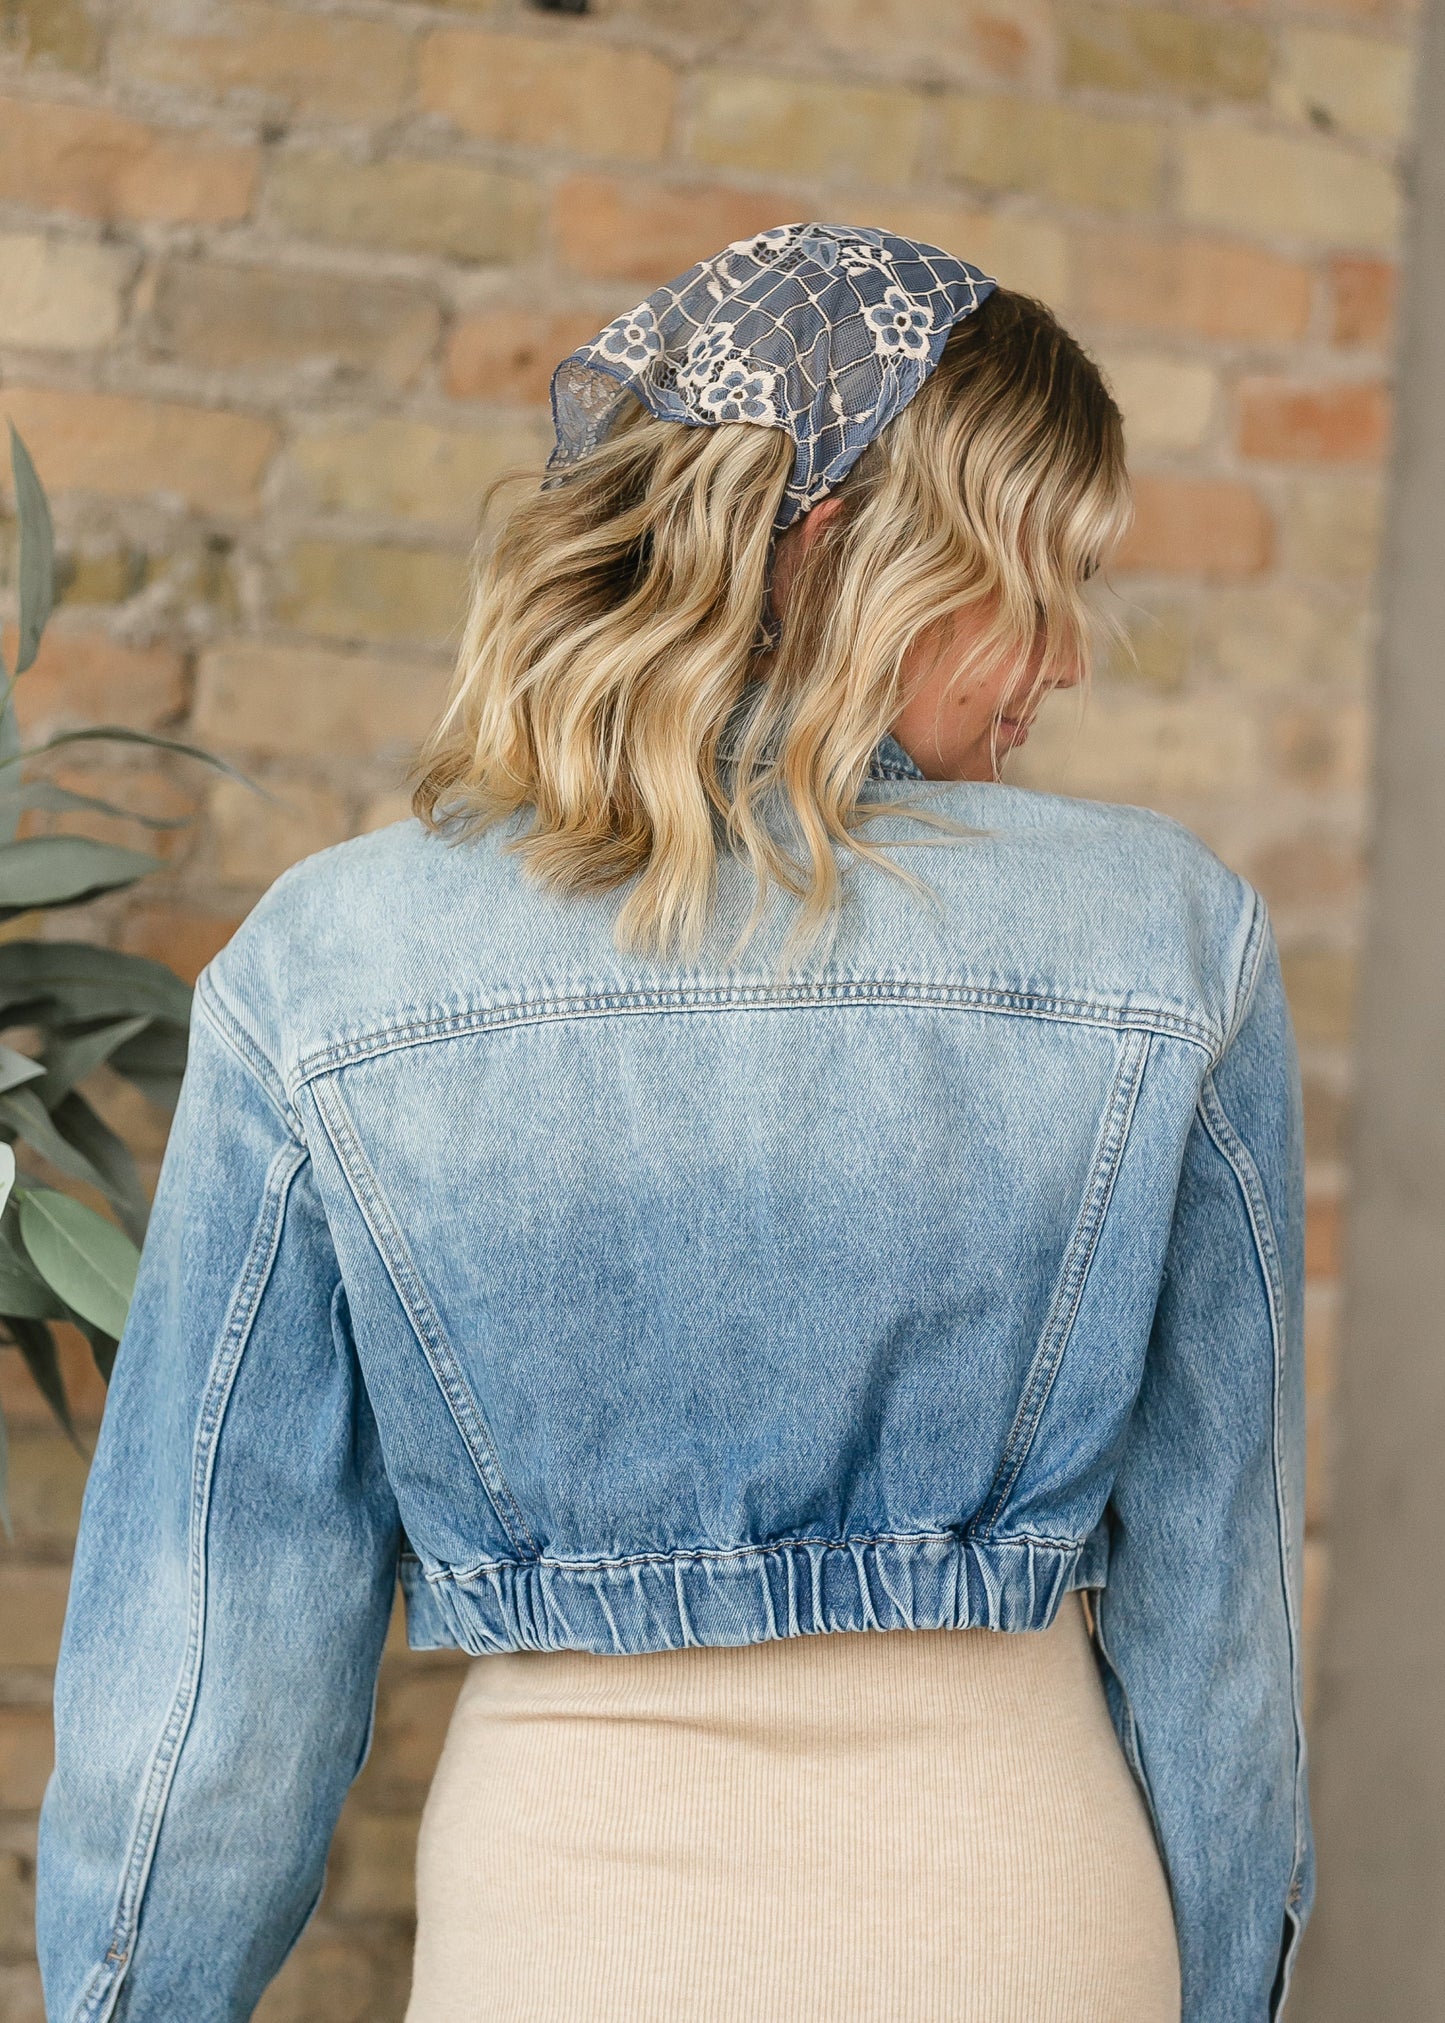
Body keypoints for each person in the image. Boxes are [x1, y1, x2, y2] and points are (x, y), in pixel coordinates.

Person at [37, 225, 1310, 2023]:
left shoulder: (334, 964)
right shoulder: (1161, 937)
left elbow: (211, 1667)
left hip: (562, 1931)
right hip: (1023, 1916)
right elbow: (1215, 1616)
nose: (1067, 663)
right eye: (1036, 583)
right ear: (835, 551)